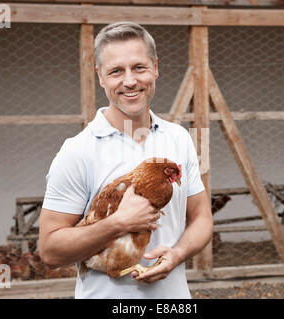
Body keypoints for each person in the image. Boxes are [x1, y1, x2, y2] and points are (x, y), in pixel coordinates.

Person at [39, 22, 212, 299]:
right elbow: (49, 250)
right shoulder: (77, 151)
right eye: (116, 71)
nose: (130, 81)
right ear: (100, 76)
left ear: (155, 67)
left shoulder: (181, 138)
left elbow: (202, 217)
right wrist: (118, 223)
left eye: (139, 68)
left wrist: (177, 254)